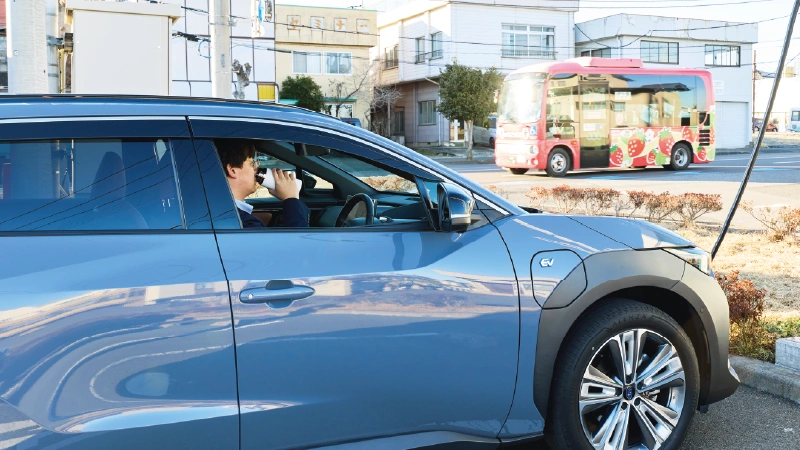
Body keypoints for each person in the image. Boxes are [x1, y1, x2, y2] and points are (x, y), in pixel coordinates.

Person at [216, 140, 309, 228]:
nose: (257, 169)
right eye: (252, 164)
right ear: (232, 170)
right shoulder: (244, 223)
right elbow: (297, 242)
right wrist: (291, 198)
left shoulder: (220, 210)